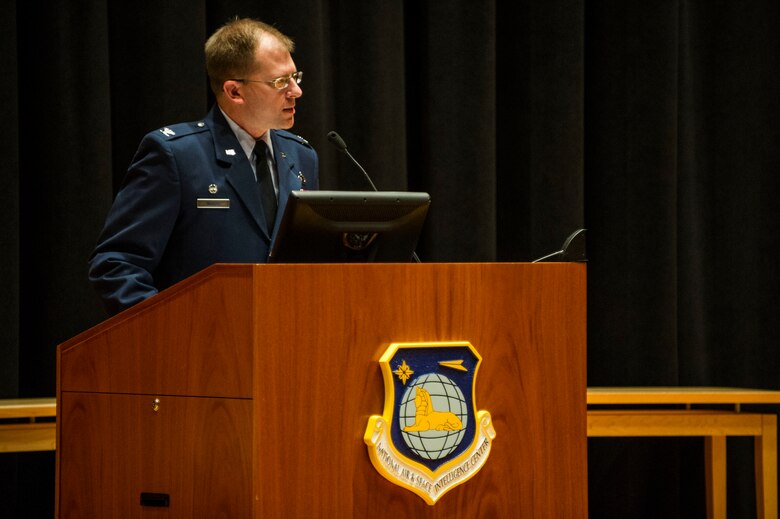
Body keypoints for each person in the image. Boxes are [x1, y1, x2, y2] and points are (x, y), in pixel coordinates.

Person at [88, 18, 318, 316]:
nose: (296, 91)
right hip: (200, 348)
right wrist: (172, 328)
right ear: (235, 91)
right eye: (279, 82)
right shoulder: (176, 155)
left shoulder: (301, 155)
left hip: (282, 340)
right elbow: (116, 263)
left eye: (295, 76)